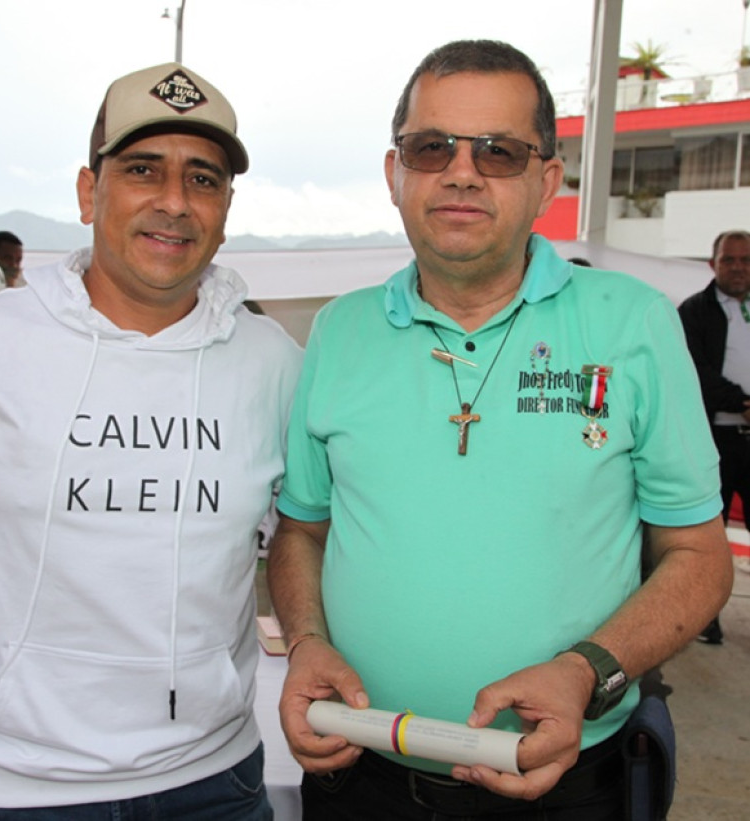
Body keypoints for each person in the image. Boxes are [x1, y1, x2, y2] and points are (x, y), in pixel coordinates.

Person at [268, 40, 733, 821]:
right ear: (395, 174)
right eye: (430, 147)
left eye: (498, 151)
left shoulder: (632, 323)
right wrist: (307, 638)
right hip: (360, 775)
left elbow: (697, 556)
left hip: (563, 783)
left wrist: (587, 671)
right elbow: (300, 531)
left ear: (546, 179)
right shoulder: (339, 330)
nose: (460, 170)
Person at [0, 62, 301, 821]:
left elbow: (304, 536)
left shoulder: (272, 361)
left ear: (225, 205)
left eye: (203, 178)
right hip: (14, 791)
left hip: (217, 781)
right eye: (141, 170)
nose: (172, 202)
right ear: (90, 192)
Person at [678, 229, 750, 645]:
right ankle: (706, 617)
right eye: (729, 260)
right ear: (713, 265)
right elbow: (695, 372)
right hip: (715, 438)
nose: (738, 267)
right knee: (708, 530)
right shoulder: (695, 311)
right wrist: (741, 402)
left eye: (745, 260)